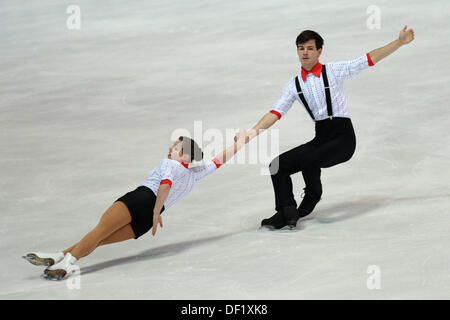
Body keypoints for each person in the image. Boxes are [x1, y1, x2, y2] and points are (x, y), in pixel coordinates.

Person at [237, 26, 415, 230]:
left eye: (310, 48)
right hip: (321, 137)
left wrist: (399, 42)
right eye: (301, 48)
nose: (305, 52)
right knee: (277, 165)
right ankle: (286, 210)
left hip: (343, 139)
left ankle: (310, 199)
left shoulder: (333, 71)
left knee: (308, 159)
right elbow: (275, 113)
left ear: (319, 51)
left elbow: (367, 60)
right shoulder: (294, 85)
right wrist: (251, 132)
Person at [24, 130, 247, 280]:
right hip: (146, 219)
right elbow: (219, 160)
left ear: (186, 155)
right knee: (100, 238)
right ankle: (58, 256)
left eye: (176, 147)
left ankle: (67, 263)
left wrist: (155, 210)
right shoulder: (193, 175)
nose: (171, 149)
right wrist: (239, 143)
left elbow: (166, 185)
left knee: (99, 231)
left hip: (140, 200)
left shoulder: (169, 163)